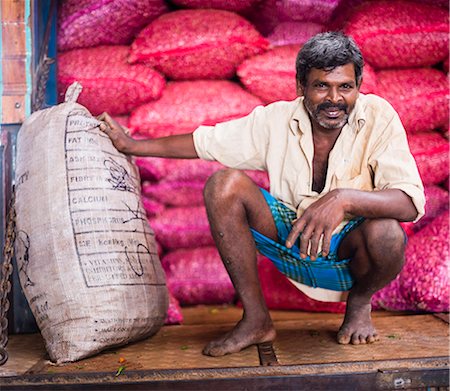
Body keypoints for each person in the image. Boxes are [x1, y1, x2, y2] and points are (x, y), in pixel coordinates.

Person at [98, 32, 425, 357]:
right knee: (223, 184)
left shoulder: (379, 116)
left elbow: (409, 203)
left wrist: (343, 199)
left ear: (359, 86)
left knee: (387, 232)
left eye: (346, 87)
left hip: (352, 259)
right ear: (301, 87)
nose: (334, 99)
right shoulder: (276, 120)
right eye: (321, 86)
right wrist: (132, 146)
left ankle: (360, 301)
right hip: (292, 242)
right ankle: (256, 319)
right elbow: (204, 142)